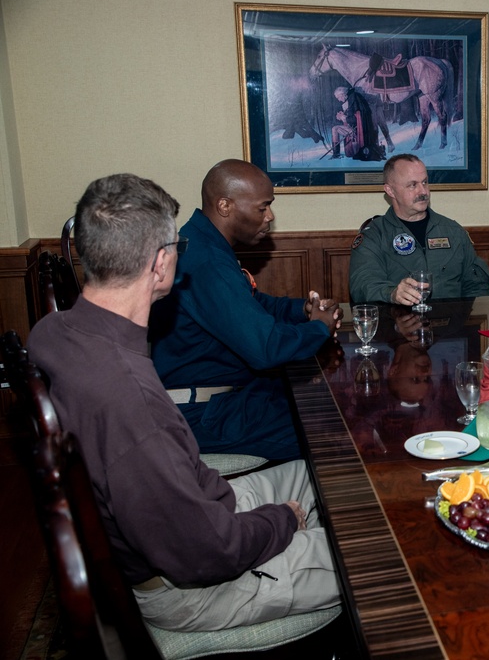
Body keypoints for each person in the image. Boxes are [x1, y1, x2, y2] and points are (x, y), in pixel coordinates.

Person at [27, 174, 341, 632]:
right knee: (381, 549)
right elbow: (209, 553)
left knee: (329, 473)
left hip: (195, 510)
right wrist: (283, 521)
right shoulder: (132, 401)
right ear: (161, 263)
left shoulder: (54, 333)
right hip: (193, 589)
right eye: (179, 246)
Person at [149, 159, 342, 460]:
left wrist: (302, 310)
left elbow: (251, 304)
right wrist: (319, 327)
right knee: (333, 431)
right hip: (203, 414)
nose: (270, 216)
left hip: (224, 397)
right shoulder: (208, 262)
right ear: (225, 206)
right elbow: (266, 349)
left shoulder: (202, 243)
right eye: (262, 207)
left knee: (324, 402)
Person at [349, 154, 489, 304]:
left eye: (424, 182)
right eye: (412, 185)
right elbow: (362, 286)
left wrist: (465, 320)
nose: (423, 191)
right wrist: (392, 294)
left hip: (449, 323)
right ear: (390, 190)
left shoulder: (453, 231)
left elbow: (478, 285)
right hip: (396, 324)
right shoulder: (375, 236)